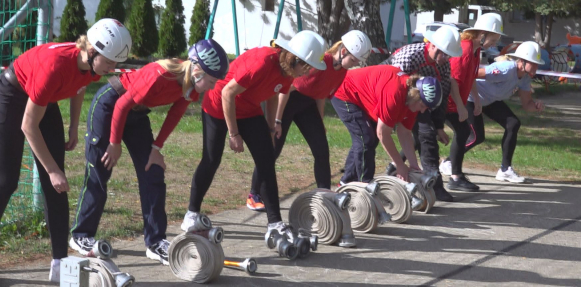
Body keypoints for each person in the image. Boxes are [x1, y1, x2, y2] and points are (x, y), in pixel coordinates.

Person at [0, 19, 130, 284]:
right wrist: (51, 169)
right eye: (110, 62)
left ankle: (60, 265)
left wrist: (74, 125)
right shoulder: (54, 67)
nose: (114, 69)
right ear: (92, 52)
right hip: (9, 98)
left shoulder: (92, 64)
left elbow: (80, 85)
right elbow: (28, 126)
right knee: (6, 183)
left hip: (45, 99)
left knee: (57, 186)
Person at [69, 39, 229, 265]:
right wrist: (114, 144)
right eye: (212, 81)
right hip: (110, 106)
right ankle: (81, 235)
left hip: (136, 114)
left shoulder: (191, 88)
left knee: (153, 172)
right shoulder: (159, 75)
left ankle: (155, 242)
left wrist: (156, 148)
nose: (212, 87)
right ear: (197, 70)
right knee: (100, 170)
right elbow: (122, 105)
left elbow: (174, 115)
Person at [181, 31, 327, 240]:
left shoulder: (288, 72)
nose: (308, 72)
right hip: (219, 104)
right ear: (295, 59)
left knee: (267, 160)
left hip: (249, 110)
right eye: (307, 66)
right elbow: (227, 93)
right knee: (212, 159)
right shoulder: (262, 62)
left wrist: (271, 127)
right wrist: (234, 134)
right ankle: (191, 214)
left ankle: (275, 224)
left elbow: (273, 94)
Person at [246, 31, 372, 211]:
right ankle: (254, 194)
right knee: (272, 149)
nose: (355, 64)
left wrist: (319, 123)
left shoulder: (341, 72)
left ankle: (325, 195)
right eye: (354, 60)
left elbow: (321, 95)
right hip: (288, 101)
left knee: (321, 149)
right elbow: (286, 90)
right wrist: (277, 121)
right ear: (343, 51)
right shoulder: (322, 63)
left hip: (307, 105)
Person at [383, 26, 464, 202]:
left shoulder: (443, 64)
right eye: (444, 53)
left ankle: (397, 168)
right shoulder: (411, 55)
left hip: (418, 99)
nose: (447, 59)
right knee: (425, 134)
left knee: (426, 134)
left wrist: (440, 125)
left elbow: (441, 94)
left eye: (449, 55)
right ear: (433, 46)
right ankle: (434, 185)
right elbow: (394, 83)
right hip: (395, 95)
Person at [332, 65, 442, 183]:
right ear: (416, 96)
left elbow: (404, 133)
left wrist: (414, 165)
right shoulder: (395, 94)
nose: (423, 111)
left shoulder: (411, 100)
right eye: (422, 106)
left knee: (368, 140)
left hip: (366, 95)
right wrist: (399, 165)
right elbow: (383, 134)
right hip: (344, 91)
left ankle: (346, 182)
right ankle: (366, 184)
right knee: (366, 139)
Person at [439, 13, 505, 191]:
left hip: (456, 100)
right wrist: (460, 106)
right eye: (494, 38)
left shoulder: (475, 51)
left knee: (461, 133)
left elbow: (471, 78)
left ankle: (456, 176)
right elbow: (453, 80)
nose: (495, 43)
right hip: (446, 100)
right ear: (482, 34)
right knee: (455, 133)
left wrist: (476, 99)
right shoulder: (465, 49)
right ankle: (455, 176)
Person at [465, 41, 545, 183]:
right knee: (477, 137)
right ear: (523, 61)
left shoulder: (525, 78)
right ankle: (449, 162)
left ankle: (505, 170)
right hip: (471, 98)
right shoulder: (505, 69)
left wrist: (536, 107)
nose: (536, 67)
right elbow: (472, 74)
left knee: (513, 123)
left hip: (490, 101)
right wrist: (473, 98)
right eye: (534, 63)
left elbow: (527, 105)